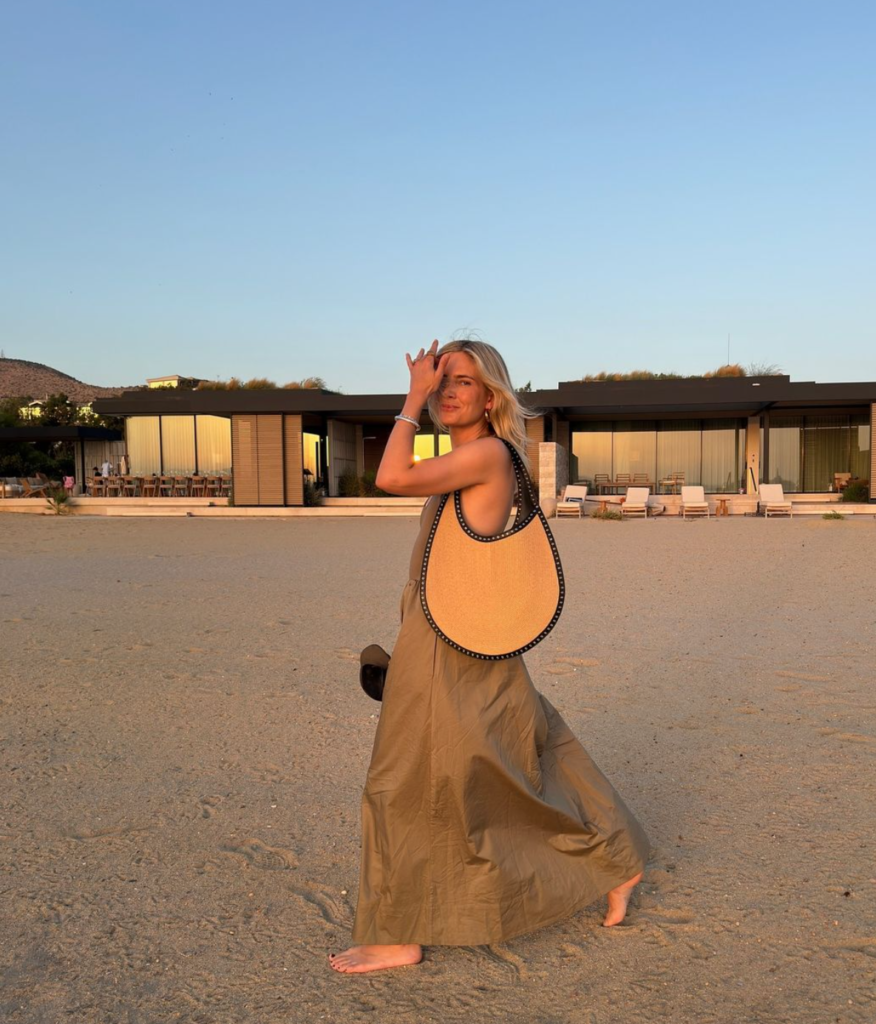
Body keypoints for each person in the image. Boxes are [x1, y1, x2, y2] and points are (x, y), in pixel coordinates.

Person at [329, 339, 650, 975]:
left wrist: (411, 400)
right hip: (457, 632)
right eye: (441, 380)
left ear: (489, 397)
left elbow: (390, 476)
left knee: (404, 781)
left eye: (463, 382)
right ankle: (615, 862)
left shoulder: (486, 454)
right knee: (525, 752)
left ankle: (397, 935)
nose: (447, 391)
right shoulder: (470, 458)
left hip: (450, 646)